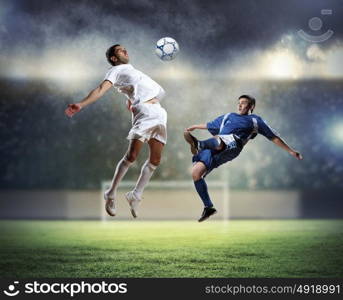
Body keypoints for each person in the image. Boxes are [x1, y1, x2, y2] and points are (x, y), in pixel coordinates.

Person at [65, 44, 167, 218]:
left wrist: (129, 98)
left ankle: (135, 195)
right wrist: (81, 104)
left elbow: (158, 92)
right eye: (120, 50)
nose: (125, 50)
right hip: (145, 114)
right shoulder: (116, 70)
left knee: (156, 160)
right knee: (132, 156)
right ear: (113, 58)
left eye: (125, 48)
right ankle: (110, 193)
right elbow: (100, 90)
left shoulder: (133, 71)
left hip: (160, 113)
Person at [184, 95, 303, 222]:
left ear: (251, 106)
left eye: (244, 103)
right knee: (196, 173)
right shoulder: (228, 116)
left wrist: (290, 150)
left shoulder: (255, 120)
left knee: (220, 139)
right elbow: (210, 125)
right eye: (239, 103)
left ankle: (199, 145)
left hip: (233, 144)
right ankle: (208, 207)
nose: (240, 105)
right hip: (215, 147)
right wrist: (195, 126)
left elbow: (273, 136)